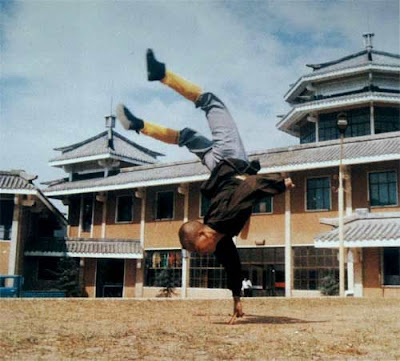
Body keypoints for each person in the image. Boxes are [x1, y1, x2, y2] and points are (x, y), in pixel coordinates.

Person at [116, 49, 295, 324]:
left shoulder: (221, 220)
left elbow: (249, 187)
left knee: (211, 102)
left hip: (229, 158)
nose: (206, 253)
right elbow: (233, 266)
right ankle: (139, 125)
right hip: (218, 168)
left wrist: (280, 184)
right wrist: (237, 299)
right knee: (186, 136)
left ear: (203, 235)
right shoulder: (220, 241)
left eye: (201, 250)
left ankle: (162, 75)